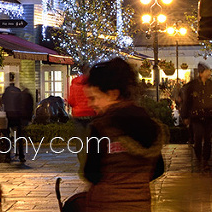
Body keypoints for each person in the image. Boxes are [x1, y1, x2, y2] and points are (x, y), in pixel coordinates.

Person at [62, 57, 164, 212]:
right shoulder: (148, 123)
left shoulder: (102, 127)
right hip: (141, 205)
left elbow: (91, 173)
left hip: (105, 205)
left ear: (113, 94)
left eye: (94, 98)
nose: (91, 104)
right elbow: (159, 168)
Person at [180, 62, 212, 172]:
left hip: (210, 116)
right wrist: (185, 116)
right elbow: (187, 102)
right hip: (197, 116)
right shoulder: (192, 86)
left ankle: (205, 160)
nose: (209, 72)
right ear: (201, 73)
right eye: (207, 71)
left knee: (208, 139)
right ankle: (199, 157)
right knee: (198, 137)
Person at [0, 73, 34, 164]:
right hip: (18, 116)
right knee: (19, 137)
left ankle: (8, 156)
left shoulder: (6, 91)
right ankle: (21, 156)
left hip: (9, 116)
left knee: (7, 136)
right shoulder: (18, 91)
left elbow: (2, 102)